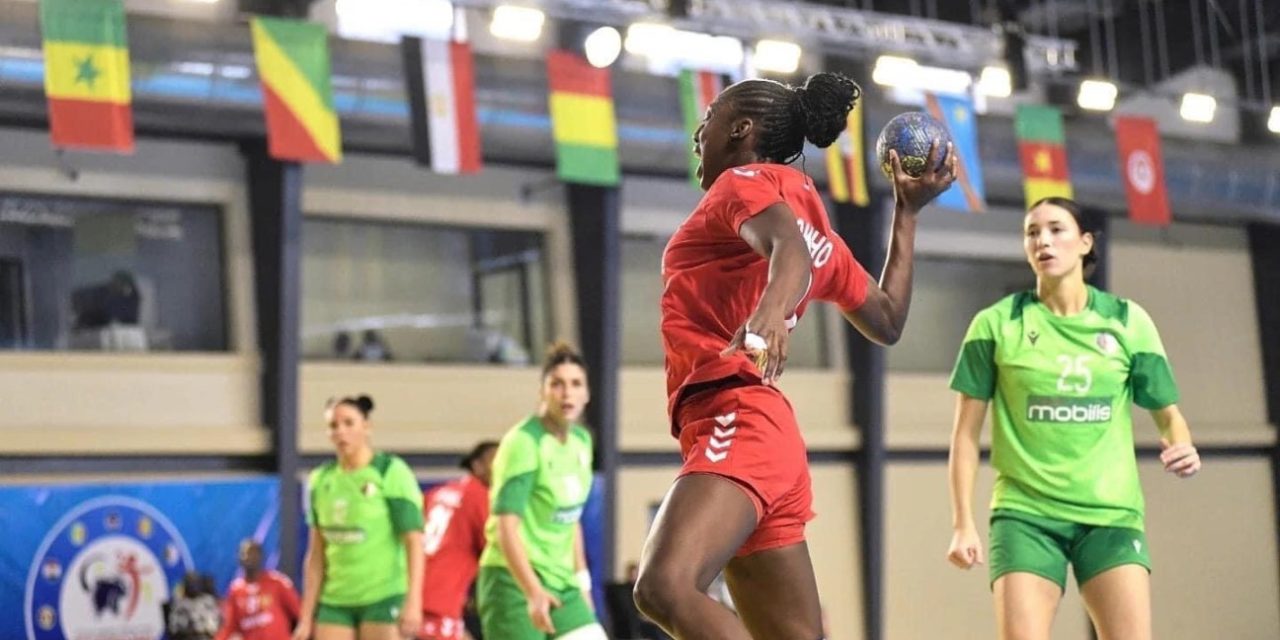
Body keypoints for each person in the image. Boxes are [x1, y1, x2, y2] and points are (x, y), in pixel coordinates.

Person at [631, 72, 956, 640]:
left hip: (736, 416)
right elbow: (886, 318)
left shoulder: (740, 185)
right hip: (763, 438)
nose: (697, 135)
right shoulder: (816, 226)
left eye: (707, 122)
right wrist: (906, 216)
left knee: (663, 586)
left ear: (741, 129)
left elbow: (787, 252)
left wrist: (769, 313)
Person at [944, 197, 1202, 640]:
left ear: (1085, 243)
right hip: (1025, 515)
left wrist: (1183, 445)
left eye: (1056, 229)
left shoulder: (1127, 322)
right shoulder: (996, 324)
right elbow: (965, 436)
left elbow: (1169, 416)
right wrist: (962, 521)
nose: (1043, 240)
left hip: (1111, 517)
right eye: (1032, 232)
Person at [476, 342, 607, 639]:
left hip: (563, 585)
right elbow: (505, 527)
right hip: (512, 583)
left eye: (576, 384)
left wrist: (583, 586)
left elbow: (571, 521)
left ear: (586, 394)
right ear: (543, 392)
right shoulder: (523, 442)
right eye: (557, 384)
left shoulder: (582, 442)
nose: (567, 393)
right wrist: (532, 590)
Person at [295, 395, 425, 640]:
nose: (341, 431)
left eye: (349, 423)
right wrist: (306, 615)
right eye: (333, 425)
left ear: (366, 426)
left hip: (383, 596)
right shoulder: (320, 480)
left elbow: (414, 541)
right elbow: (315, 554)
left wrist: (414, 601)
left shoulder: (390, 471)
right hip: (335, 600)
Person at [419, 441, 500, 640]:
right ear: (477, 465)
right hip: (440, 598)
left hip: (412, 592)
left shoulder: (437, 493)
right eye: (497, 461)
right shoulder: (481, 498)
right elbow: (497, 553)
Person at [216, 539, 300, 640]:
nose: (248, 557)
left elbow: (299, 612)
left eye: (252, 553)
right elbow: (229, 627)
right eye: (244, 553)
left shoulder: (277, 582)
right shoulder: (235, 590)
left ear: (261, 556)